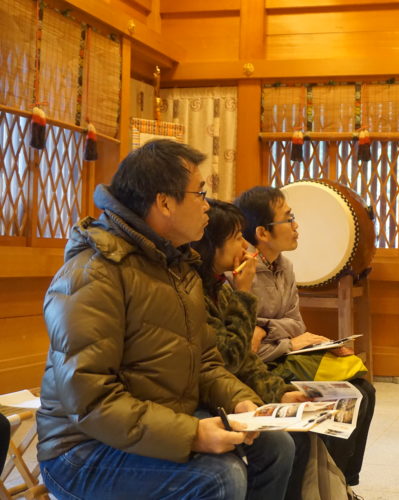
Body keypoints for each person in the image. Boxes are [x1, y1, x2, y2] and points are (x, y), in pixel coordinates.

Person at [36, 140, 295, 500]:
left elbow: (205, 361)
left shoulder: (177, 267)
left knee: (276, 445)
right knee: (220, 477)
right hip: (80, 450)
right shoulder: (93, 274)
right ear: (164, 202)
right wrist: (193, 434)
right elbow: (91, 402)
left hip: (150, 424)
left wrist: (241, 401)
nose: (207, 205)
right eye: (200, 193)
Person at [192, 198, 347, 500]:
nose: (245, 247)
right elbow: (231, 359)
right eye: (237, 238)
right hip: (209, 394)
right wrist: (244, 294)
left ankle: (344, 485)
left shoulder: (226, 285)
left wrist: (280, 393)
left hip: (240, 380)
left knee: (346, 398)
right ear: (212, 245)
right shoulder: (212, 289)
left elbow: (290, 327)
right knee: (284, 443)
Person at [234, 186, 375, 491]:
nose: (297, 225)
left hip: (284, 356)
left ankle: (342, 483)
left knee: (363, 389)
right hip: (265, 369)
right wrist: (285, 341)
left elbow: (296, 325)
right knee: (344, 395)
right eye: (289, 218)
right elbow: (247, 348)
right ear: (263, 232)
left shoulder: (284, 266)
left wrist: (269, 329)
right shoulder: (241, 271)